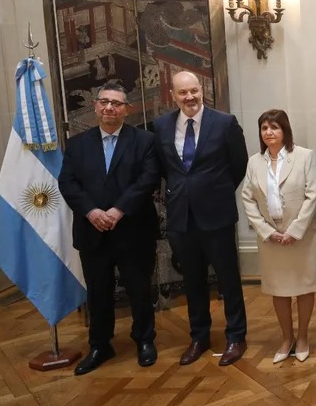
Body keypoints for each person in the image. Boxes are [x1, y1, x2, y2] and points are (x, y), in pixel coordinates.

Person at [59, 83, 161, 375]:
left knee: (139, 289)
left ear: (126, 110)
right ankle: (100, 345)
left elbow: (148, 179)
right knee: (98, 292)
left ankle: (144, 339)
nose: (109, 108)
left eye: (116, 103)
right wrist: (92, 211)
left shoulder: (145, 141)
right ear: (95, 106)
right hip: (92, 232)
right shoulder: (77, 144)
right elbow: (67, 183)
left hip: (133, 230)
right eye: (104, 102)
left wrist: (118, 210)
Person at [153, 70, 249, 366]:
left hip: (217, 216)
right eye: (183, 93)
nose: (190, 97)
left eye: (194, 91)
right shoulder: (160, 126)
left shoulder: (225, 123)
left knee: (228, 278)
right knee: (192, 281)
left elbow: (239, 164)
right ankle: (199, 337)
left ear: (202, 90)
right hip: (181, 218)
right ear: (173, 95)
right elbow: (162, 169)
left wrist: (215, 193)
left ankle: (236, 336)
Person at [241, 109, 316, 364]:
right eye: (264, 128)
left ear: (285, 130)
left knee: (303, 287)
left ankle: (302, 337)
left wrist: (295, 231)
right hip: (272, 239)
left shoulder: (303, 156)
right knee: (278, 289)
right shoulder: (254, 162)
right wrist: (267, 232)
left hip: (303, 237)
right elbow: (247, 198)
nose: (269, 132)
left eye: (274, 127)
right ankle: (286, 338)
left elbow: (313, 195)